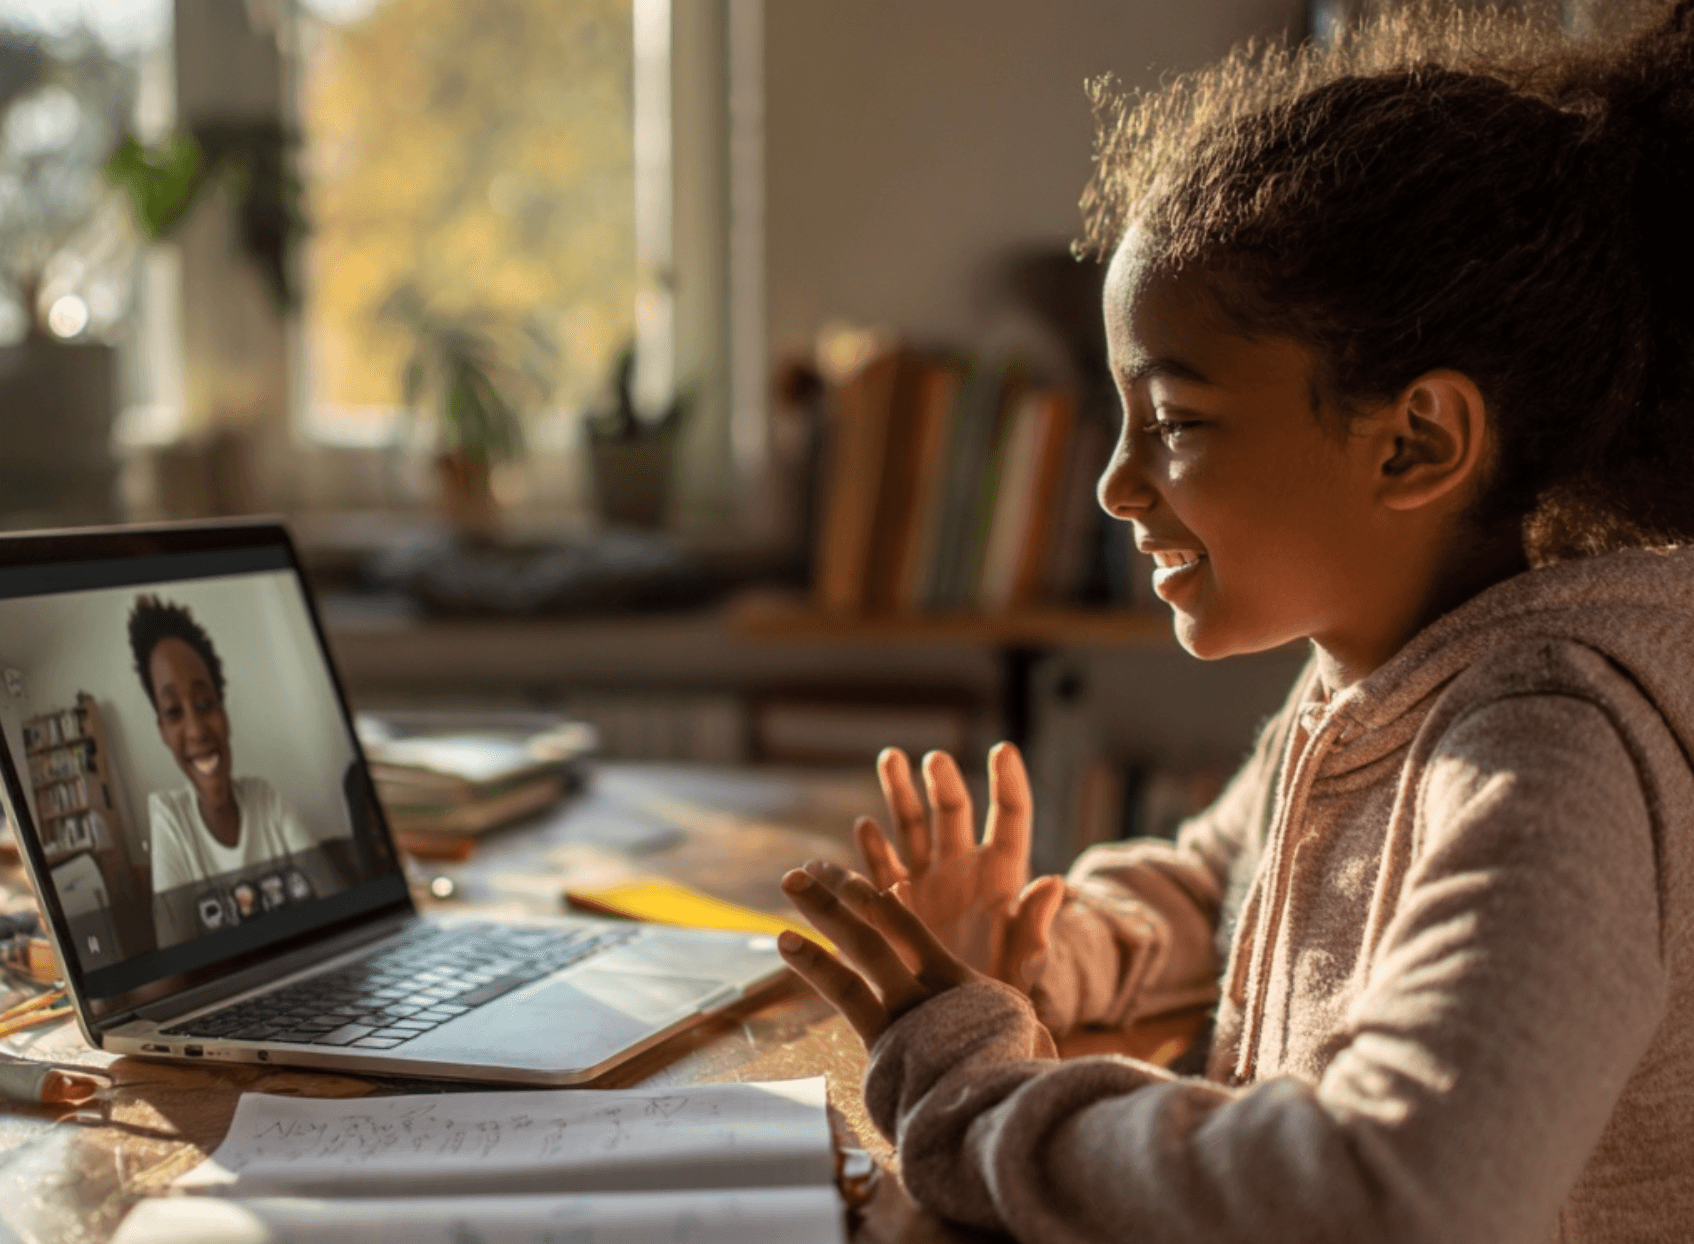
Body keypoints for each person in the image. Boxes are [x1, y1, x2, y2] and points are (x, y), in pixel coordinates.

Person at [776, 4, 1694, 1241]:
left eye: (1175, 421)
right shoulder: (1373, 680)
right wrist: (1048, 952)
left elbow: (1397, 1192)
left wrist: (968, 1088)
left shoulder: (1549, 757)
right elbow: (1223, 877)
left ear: (1414, 441)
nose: (1114, 485)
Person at [127, 595, 319, 908]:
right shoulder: (169, 818)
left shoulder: (265, 800)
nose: (196, 730)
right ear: (162, 731)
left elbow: (335, 896)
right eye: (174, 711)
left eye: (205, 704)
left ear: (224, 713)